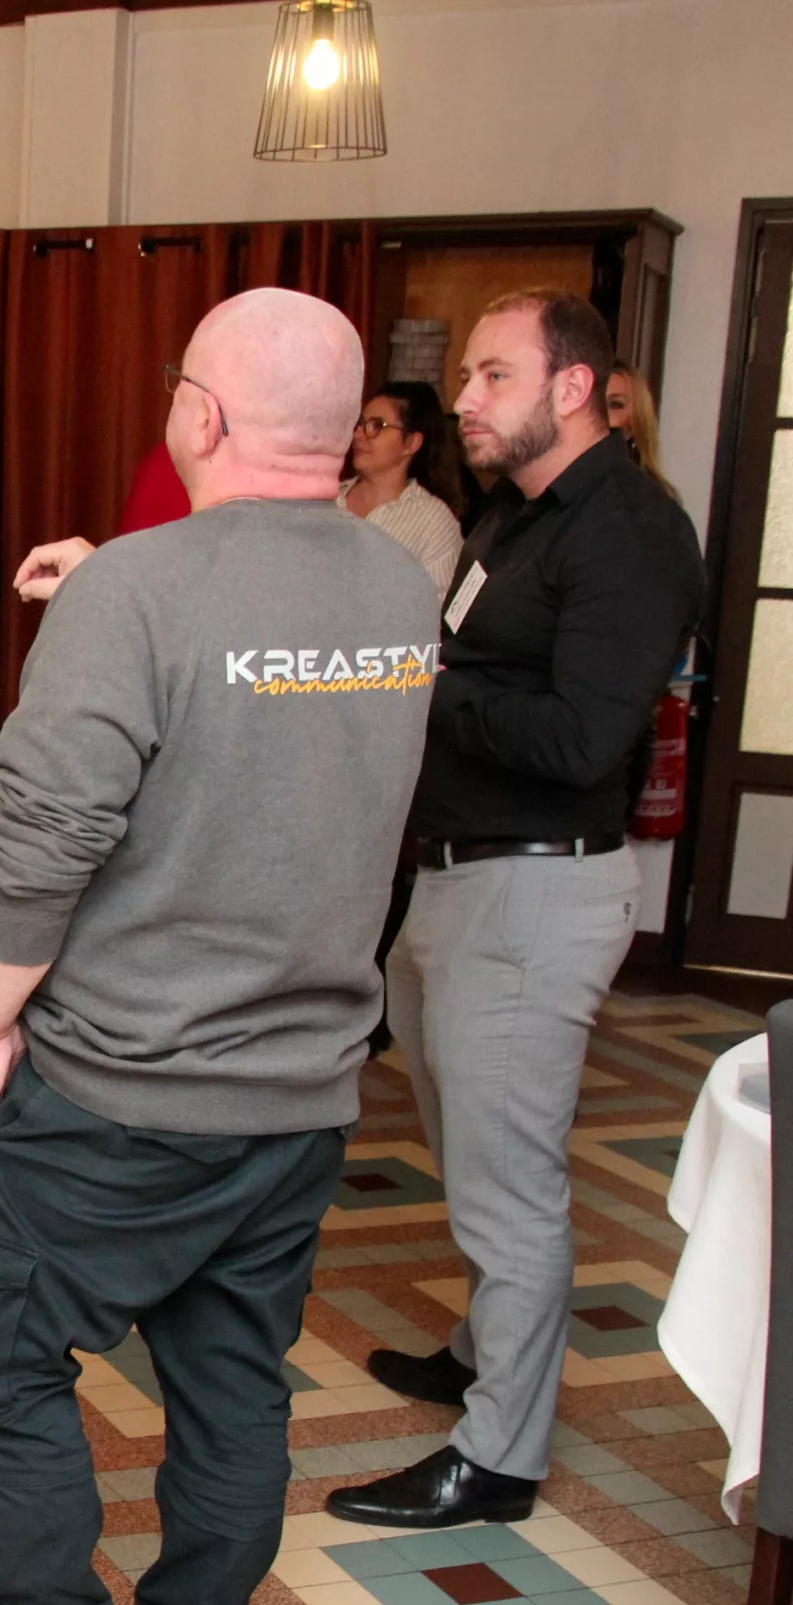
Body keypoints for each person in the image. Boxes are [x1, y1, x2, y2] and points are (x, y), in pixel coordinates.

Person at [0, 290, 436, 1605]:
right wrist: (114, 591)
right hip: (303, 1089)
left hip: (122, 1088)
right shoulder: (400, 590)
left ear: (201, 412)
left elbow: (39, 835)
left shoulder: (137, 593)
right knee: (231, 1379)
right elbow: (268, 707)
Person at [326, 290, 704, 1531]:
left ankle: (496, 1459)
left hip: (536, 887)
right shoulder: (516, 515)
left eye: (493, 374)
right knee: (470, 1148)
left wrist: (424, 684)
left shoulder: (630, 532)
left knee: (512, 1184)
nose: (465, 400)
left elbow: (583, 738)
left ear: (573, 387)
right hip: (458, 874)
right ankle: (485, 1351)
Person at [341, 380, 466, 592]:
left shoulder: (434, 523)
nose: (358, 435)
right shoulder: (327, 500)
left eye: (377, 426)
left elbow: (441, 605)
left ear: (411, 443)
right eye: (360, 424)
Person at [605, 361, 679, 500]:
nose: (599, 413)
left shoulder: (651, 497)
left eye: (615, 404)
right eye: (593, 403)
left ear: (635, 423)